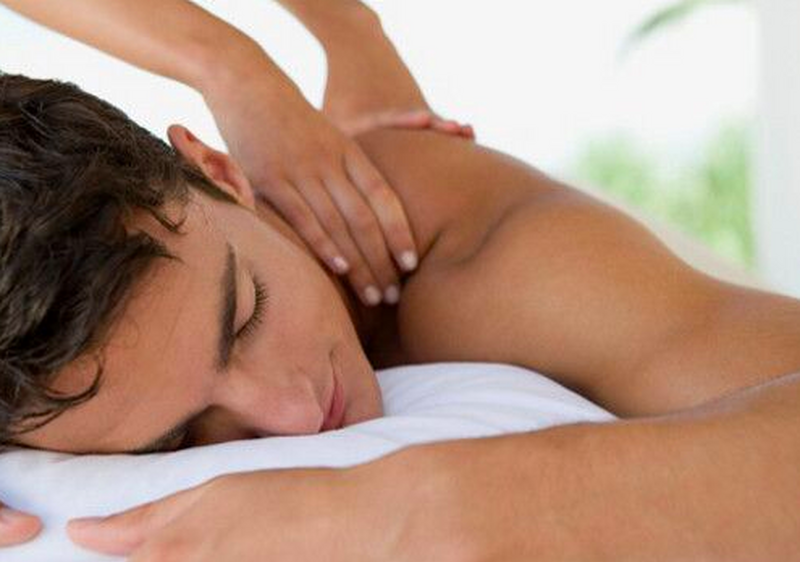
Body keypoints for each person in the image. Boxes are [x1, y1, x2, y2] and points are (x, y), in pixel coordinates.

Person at [1, 1, 799, 560]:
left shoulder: (488, 262)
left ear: (221, 172)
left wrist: (435, 505)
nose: (293, 417)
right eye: (179, 439)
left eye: (246, 314)